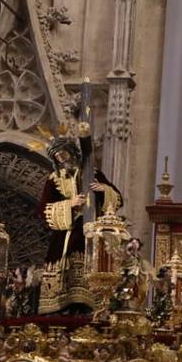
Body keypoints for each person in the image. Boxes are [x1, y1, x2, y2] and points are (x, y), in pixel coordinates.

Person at [37, 124, 121, 314]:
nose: (61, 159)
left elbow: (118, 199)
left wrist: (104, 190)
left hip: (90, 230)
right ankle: (61, 304)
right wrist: (69, 204)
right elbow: (42, 209)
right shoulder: (55, 179)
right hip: (66, 232)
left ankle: (90, 304)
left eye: (63, 154)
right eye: (57, 157)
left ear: (71, 152)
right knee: (68, 252)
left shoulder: (93, 173)